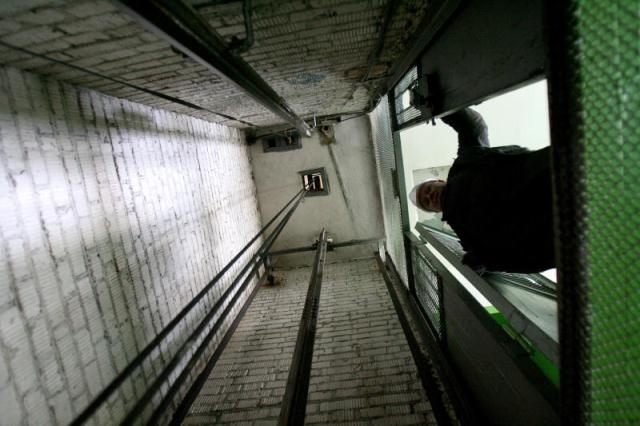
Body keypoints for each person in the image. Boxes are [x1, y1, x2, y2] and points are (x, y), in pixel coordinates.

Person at [409, 107, 555, 273]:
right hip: (553, 223)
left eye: (428, 189)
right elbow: (509, 259)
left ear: (439, 181)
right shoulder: (464, 234)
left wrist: (436, 106)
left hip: (547, 173)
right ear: (435, 210)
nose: (430, 196)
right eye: (426, 201)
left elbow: (472, 126)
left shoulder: (465, 163)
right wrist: (483, 263)